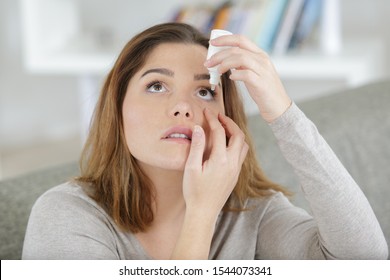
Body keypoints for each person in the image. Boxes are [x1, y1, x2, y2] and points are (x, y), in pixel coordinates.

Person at [22, 22, 388, 260]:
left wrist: (282, 112)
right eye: (156, 86)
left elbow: (365, 262)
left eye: (203, 90)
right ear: (116, 111)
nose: (182, 107)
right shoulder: (66, 216)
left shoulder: (255, 216)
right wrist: (201, 213)